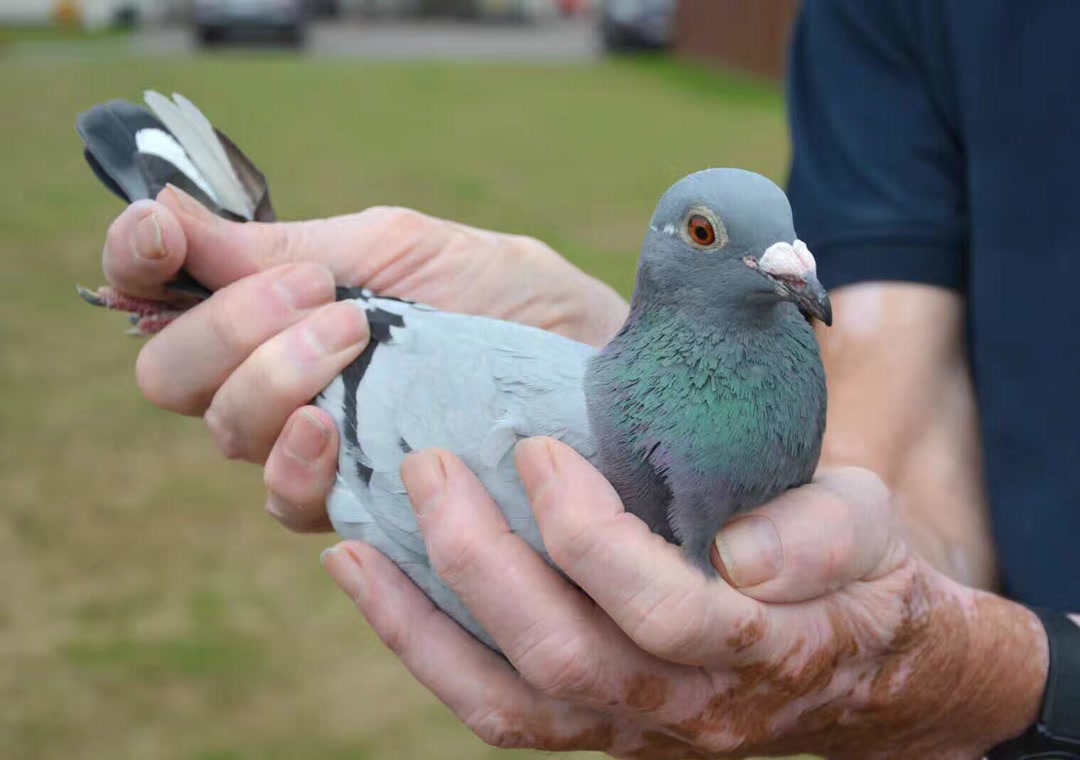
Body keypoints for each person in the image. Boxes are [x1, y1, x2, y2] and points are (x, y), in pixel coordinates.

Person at [92, 1, 1079, 755]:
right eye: (706, 236)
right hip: (416, 368)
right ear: (675, 252)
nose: (786, 267)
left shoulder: (768, 322)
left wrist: (1004, 675)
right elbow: (903, 449)